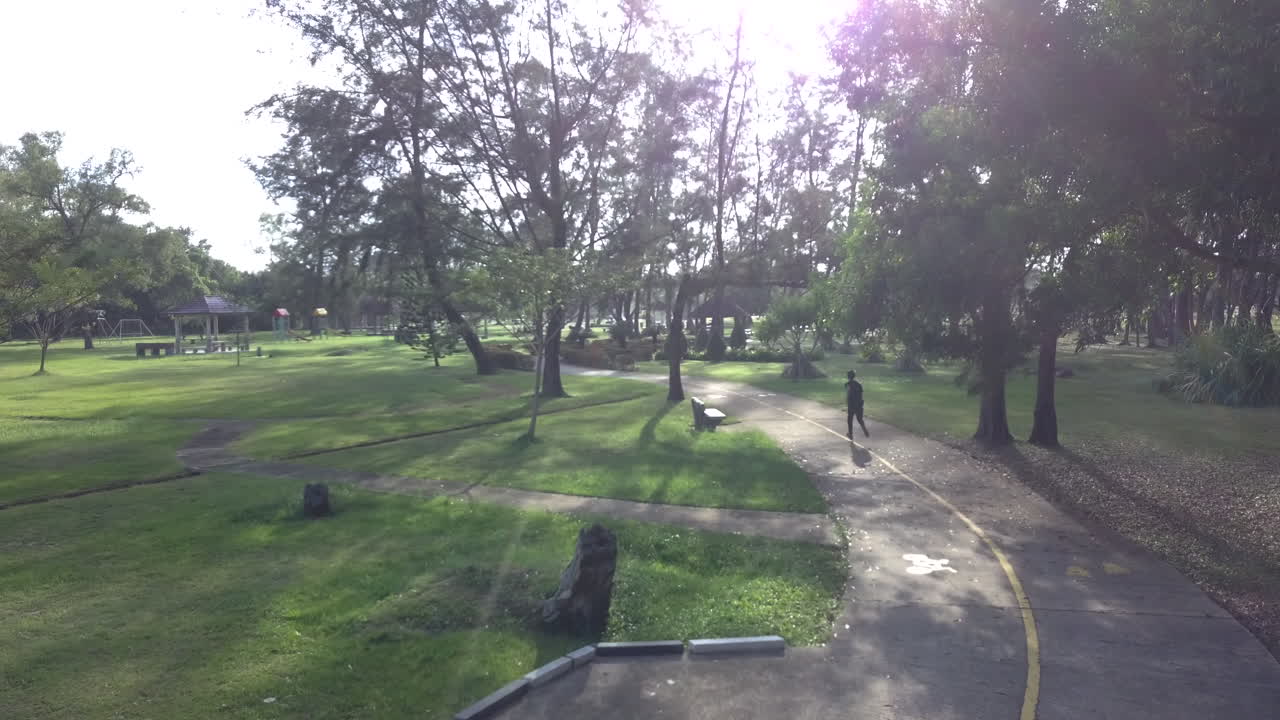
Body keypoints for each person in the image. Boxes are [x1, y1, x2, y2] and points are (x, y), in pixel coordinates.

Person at [845, 370, 869, 438]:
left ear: (848, 376)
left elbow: (848, 394)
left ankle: (850, 434)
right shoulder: (859, 384)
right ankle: (864, 429)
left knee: (850, 419)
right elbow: (861, 395)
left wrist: (848, 402)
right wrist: (860, 403)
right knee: (859, 419)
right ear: (854, 376)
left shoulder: (847, 384)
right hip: (859, 403)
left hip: (851, 404)